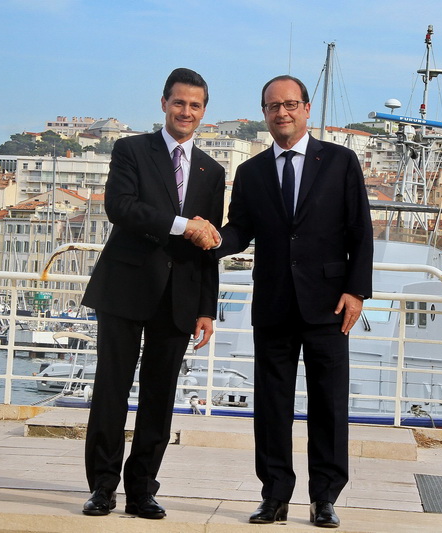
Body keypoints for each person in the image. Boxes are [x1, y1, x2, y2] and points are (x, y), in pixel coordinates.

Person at [189, 74, 372, 528]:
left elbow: (360, 231)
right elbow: (240, 230)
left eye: (290, 105)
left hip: (329, 304)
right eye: (273, 107)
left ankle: (324, 497)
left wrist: (356, 291)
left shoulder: (341, 162)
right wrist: (211, 238)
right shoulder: (250, 172)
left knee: (329, 404)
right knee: (271, 405)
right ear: (265, 114)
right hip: (272, 302)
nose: (282, 113)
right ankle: (274, 496)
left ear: (307, 109)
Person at [80, 67, 224, 519]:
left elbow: (209, 246)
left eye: (195, 105)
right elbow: (120, 207)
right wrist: (183, 225)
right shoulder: (131, 150)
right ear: (164, 104)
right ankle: (102, 487)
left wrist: (207, 308)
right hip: (124, 288)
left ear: (204, 112)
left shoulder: (212, 170)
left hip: (179, 297)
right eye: (178, 102)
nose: (186, 111)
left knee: (160, 399)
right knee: (110, 391)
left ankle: (142, 489)